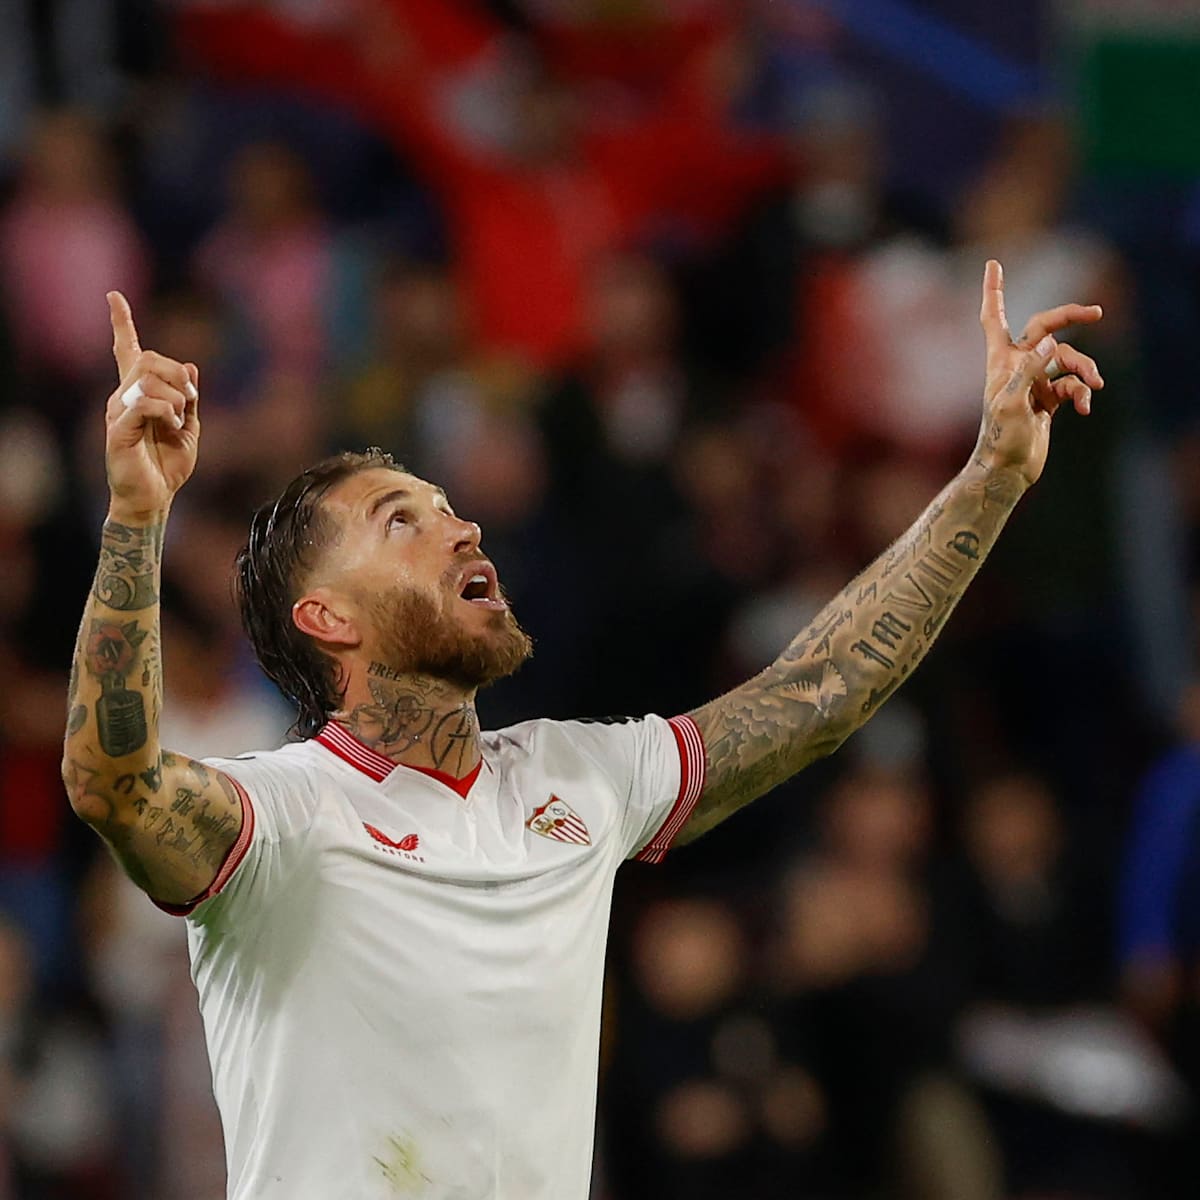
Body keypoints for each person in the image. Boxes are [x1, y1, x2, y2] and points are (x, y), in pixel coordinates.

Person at [62, 262, 1103, 1199]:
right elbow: (115, 781)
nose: (462, 526)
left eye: (447, 505)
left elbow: (825, 688)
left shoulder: (577, 776)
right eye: (401, 520)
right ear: (327, 617)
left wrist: (993, 474)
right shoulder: (282, 814)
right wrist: (137, 518)